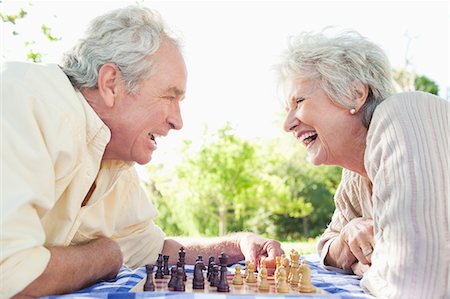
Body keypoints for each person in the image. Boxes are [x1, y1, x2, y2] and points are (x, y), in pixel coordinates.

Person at [1, 6, 283, 298]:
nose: (178, 121)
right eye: (169, 96)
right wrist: (105, 257)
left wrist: (236, 245)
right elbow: (11, 274)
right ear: (111, 84)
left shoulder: (111, 157)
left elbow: (152, 249)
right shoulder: (24, 100)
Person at [278, 28, 449, 298]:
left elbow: (415, 284)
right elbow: (326, 247)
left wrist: (361, 267)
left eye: (298, 101)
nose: (287, 124)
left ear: (355, 93)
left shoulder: (404, 114)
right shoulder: (355, 175)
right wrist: (348, 234)